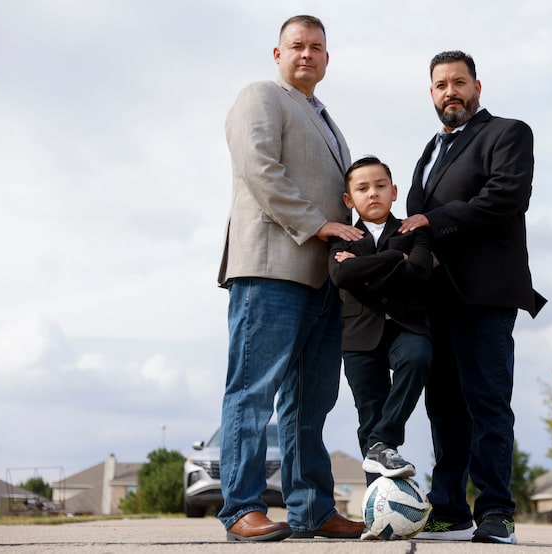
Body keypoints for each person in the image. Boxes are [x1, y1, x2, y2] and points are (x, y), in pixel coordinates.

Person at [216, 15, 366, 542]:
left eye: (317, 47)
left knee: (310, 402)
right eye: (296, 46)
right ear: (277, 54)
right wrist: (317, 224)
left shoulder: (327, 119)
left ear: (328, 58)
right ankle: (240, 509)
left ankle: (312, 510)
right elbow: (260, 169)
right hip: (271, 268)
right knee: (253, 392)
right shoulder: (260, 96)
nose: (307, 54)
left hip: (324, 280)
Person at [399, 50, 547, 545]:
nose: (450, 92)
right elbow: (413, 220)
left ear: (477, 87)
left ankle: (496, 512)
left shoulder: (507, 132)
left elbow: (507, 196)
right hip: (435, 299)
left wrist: (434, 221)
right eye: (440, 85)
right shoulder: (428, 151)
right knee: (443, 409)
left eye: (458, 82)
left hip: (483, 295)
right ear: (431, 94)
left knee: (487, 403)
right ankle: (449, 510)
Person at [328, 156, 433, 487]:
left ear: (394, 191)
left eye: (380, 186)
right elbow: (341, 274)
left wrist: (366, 265)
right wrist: (394, 260)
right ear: (349, 199)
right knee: (369, 411)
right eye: (362, 188)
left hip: (407, 327)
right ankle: (381, 499)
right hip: (358, 335)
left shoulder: (412, 231)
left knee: (418, 358)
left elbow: (419, 271)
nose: (372, 193)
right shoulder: (342, 236)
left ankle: (383, 441)